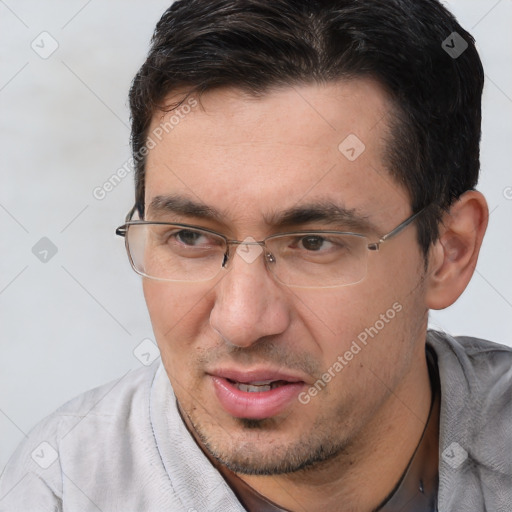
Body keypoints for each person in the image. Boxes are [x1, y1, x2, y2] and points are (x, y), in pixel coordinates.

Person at [1, 0, 511, 510]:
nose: (241, 322)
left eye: (314, 243)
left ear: (450, 251)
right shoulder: (61, 489)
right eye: (189, 237)